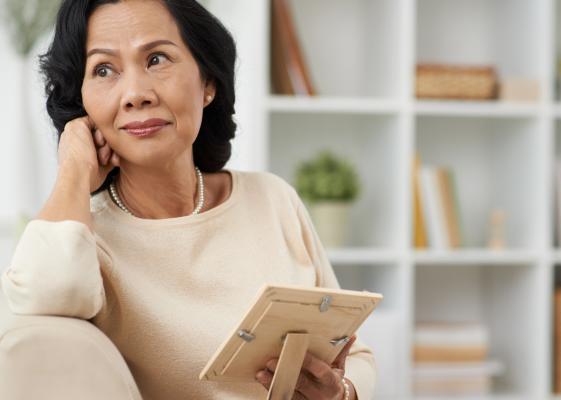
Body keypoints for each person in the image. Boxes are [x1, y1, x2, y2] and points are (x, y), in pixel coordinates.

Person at [0, 1, 376, 399]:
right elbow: (42, 299)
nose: (135, 94)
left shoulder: (273, 199)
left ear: (208, 83)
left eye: (157, 58)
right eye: (104, 70)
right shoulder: (85, 241)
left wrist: (342, 392)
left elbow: (355, 352)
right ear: (83, 103)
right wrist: (73, 170)